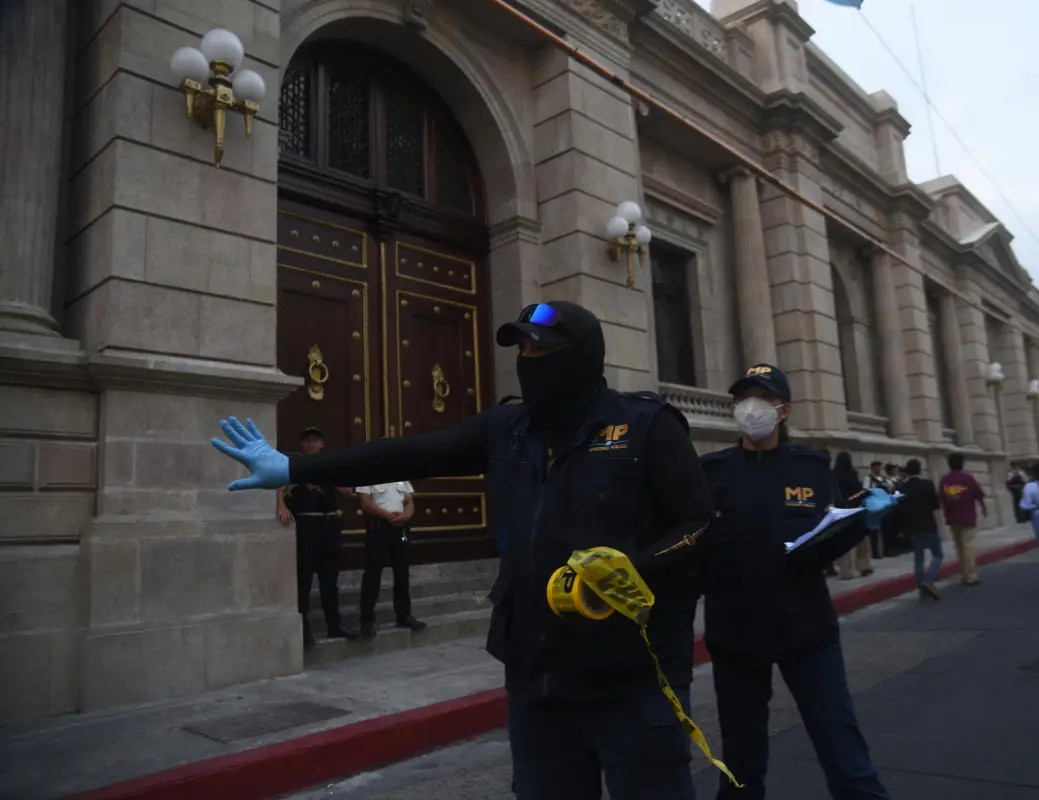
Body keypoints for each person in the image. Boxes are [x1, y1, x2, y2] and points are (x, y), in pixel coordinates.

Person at [213, 301, 713, 800]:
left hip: (633, 679)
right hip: (538, 678)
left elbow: (701, 523)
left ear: (582, 357)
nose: (528, 358)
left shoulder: (646, 426)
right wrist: (296, 469)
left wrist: (631, 570)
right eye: (523, 349)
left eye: (541, 348)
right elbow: (408, 453)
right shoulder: (507, 429)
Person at [700, 364, 892, 800]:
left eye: (764, 398)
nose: (752, 407)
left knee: (845, 753)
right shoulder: (711, 472)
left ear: (783, 410)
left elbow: (824, 544)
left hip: (806, 632)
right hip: (736, 636)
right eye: (744, 398)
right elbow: (696, 551)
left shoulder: (810, 467)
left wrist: (866, 523)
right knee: (741, 767)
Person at [276, 426, 359, 647]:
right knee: (304, 580)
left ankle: (334, 624)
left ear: (322, 444)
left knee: (330, 579)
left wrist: (326, 477)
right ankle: (303, 629)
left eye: (315, 440)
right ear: (302, 444)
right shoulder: (293, 465)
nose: (311, 443)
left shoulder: (331, 465)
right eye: (307, 440)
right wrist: (281, 504)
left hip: (329, 524)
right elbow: (278, 484)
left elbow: (349, 490)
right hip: (306, 525)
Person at [357, 480, 426, 638]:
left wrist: (407, 514)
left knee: (402, 572)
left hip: (400, 528)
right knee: (372, 574)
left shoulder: (400, 476)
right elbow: (365, 503)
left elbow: (409, 500)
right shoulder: (367, 474)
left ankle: (404, 615)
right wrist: (387, 515)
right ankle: (367, 620)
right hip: (379, 527)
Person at [895, 459, 942, 601]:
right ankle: (929, 580)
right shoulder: (927, 484)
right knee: (938, 554)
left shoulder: (903, 488)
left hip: (912, 528)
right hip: (928, 525)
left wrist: (902, 529)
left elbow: (899, 510)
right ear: (920, 470)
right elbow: (936, 505)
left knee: (918, 559)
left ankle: (922, 591)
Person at [938, 453, 986, 586]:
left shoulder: (945, 480)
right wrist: (984, 508)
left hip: (953, 518)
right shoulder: (968, 478)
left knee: (959, 547)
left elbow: (941, 498)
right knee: (968, 546)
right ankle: (970, 575)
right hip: (967, 517)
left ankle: (964, 573)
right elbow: (979, 495)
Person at [835, 452, 874, 580]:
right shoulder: (852, 474)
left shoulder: (833, 475)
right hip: (854, 510)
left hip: (840, 512)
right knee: (862, 540)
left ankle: (846, 571)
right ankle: (863, 566)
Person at [862, 461, 889, 558]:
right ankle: (875, 552)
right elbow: (865, 491)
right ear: (872, 468)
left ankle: (886, 550)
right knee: (874, 531)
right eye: (876, 467)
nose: (878, 469)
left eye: (879, 467)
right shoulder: (868, 479)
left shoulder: (882, 479)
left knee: (886, 529)